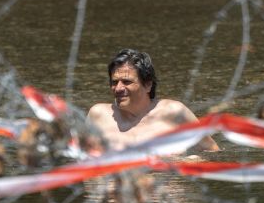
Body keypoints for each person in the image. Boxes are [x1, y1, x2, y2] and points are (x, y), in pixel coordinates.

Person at [87, 48, 218, 153]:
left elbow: (214, 154)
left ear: (148, 85)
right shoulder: (98, 115)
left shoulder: (174, 113)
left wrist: (180, 162)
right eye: (114, 82)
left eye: (127, 82)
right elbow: (78, 159)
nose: (118, 88)